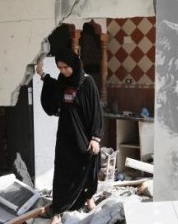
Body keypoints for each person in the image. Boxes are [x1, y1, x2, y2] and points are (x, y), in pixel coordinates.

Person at [36, 48, 103, 224]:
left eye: (66, 67)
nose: (63, 71)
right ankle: (58, 210)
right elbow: (54, 92)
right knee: (62, 172)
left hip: (84, 136)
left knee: (87, 168)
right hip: (66, 136)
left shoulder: (87, 83)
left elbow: (96, 112)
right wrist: (42, 75)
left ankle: (88, 198)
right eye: (60, 68)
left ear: (73, 63)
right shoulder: (62, 81)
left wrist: (95, 138)